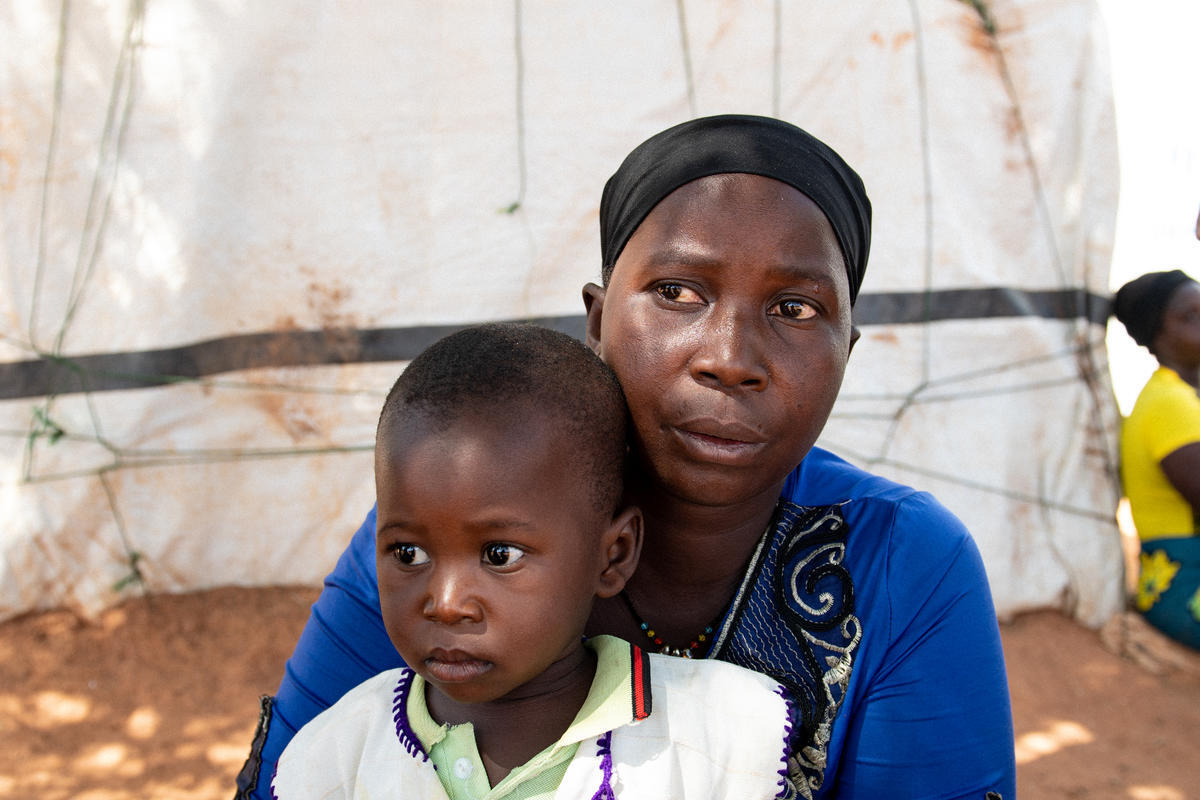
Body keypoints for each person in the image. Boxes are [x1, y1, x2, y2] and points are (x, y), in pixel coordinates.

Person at [237, 115, 1016, 800]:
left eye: (795, 308)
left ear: (847, 349)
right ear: (599, 320)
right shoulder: (452, 532)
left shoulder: (904, 567)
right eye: (678, 292)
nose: (730, 357)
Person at [271, 324, 798, 799]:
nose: (447, 603)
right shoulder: (337, 759)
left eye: (499, 555)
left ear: (612, 555)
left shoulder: (711, 741)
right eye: (409, 553)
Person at [1113, 270, 1200, 650]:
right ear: (1157, 337)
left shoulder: (1181, 397)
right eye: (1190, 317)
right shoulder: (1168, 403)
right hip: (1183, 587)